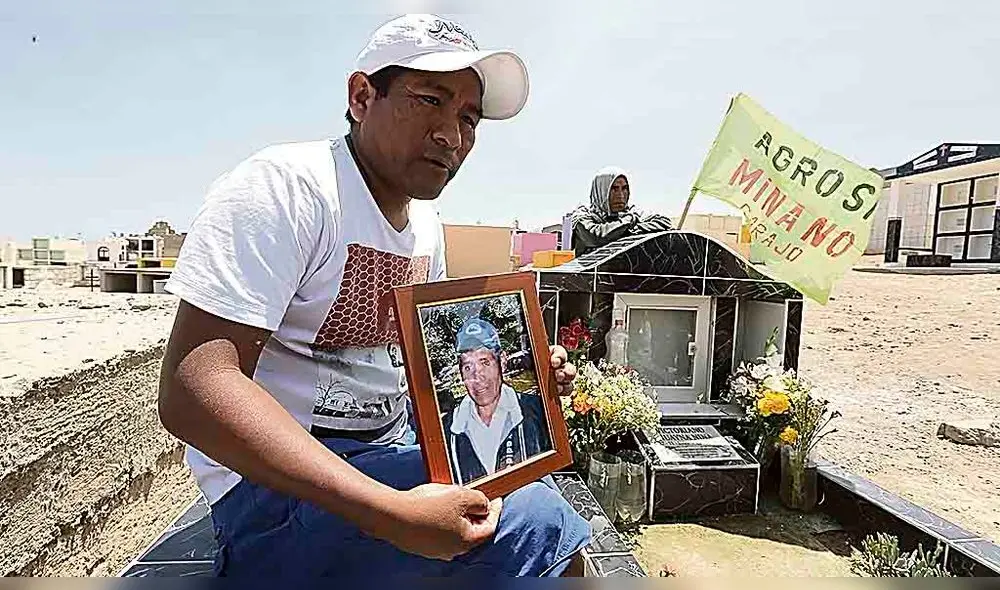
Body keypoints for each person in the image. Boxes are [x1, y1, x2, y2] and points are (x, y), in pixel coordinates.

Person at [157, 14, 590, 578]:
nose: (452, 136)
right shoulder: (288, 188)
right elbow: (193, 387)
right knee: (538, 521)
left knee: (527, 489)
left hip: (388, 452)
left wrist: (523, 378)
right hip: (273, 495)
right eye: (430, 100)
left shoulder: (427, 228)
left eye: (468, 117)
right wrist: (388, 513)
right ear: (362, 97)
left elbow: (428, 372)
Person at [442, 318, 551, 485]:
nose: (477, 377)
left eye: (485, 363)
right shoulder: (448, 429)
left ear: (503, 362)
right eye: (468, 367)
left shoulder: (537, 410)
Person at [570, 166, 674, 257]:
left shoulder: (632, 212)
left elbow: (664, 222)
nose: (620, 195)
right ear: (601, 190)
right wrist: (628, 221)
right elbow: (597, 236)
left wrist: (628, 230)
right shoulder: (582, 215)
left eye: (624, 188)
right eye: (614, 189)